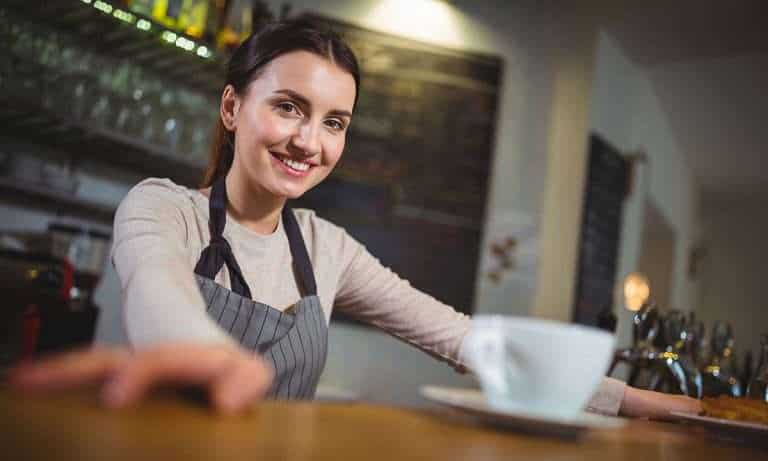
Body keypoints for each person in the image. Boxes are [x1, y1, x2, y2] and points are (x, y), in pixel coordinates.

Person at [9, 19, 700, 418]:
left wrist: (641, 401)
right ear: (231, 108)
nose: (310, 142)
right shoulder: (163, 208)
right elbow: (160, 291)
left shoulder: (327, 248)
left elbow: (467, 339)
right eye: (288, 107)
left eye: (333, 121)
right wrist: (211, 356)